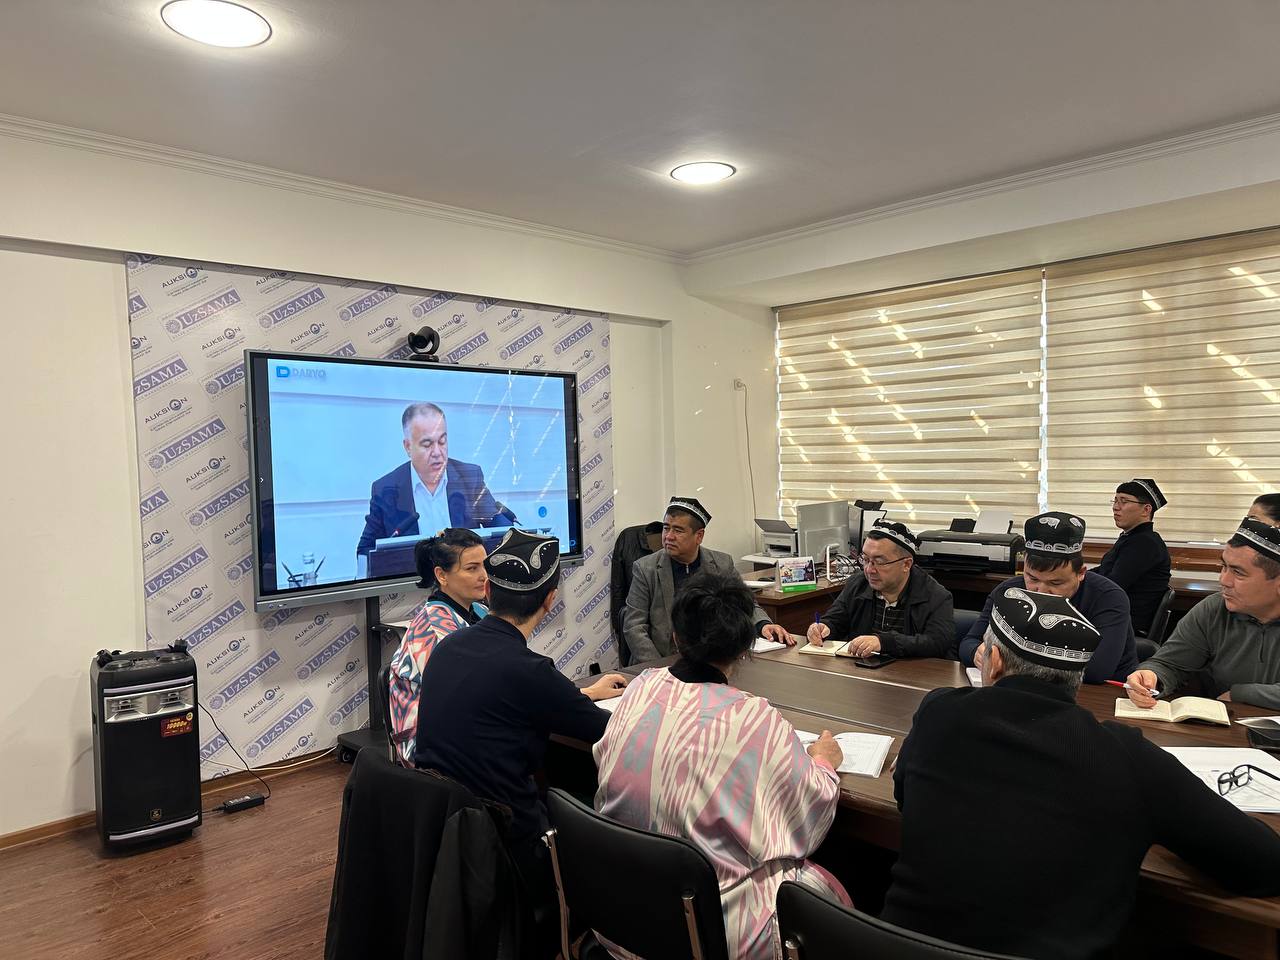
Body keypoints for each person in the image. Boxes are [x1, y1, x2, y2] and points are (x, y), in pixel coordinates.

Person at [883, 588, 1280, 960]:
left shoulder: (939, 711)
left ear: (995, 661)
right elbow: (1263, 863)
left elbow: (905, 796)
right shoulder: (1127, 757)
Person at [596, 572, 850, 960]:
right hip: (708, 932)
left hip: (623, 916)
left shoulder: (641, 686)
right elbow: (808, 812)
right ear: (745, 647)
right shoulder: (753, 718)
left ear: (676, 637)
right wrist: (824, 761)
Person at [414, 530, 628, 954]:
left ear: (488, 592)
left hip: (447, 827)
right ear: (550, 600)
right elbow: (609, 731)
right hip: (511, 841)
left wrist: (578, 694)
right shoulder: (529, 670)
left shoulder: (448, 647)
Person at [958, 511, 1138, 683]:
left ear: (1081, 573)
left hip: (1100, 693)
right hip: (1026, 687)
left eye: (1056, 583)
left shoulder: (1109, 597)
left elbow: (1097, 670)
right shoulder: (1008, 591)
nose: (1041, 591)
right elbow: (968, 643)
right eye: (1033, 578)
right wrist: (977, 653)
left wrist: (1011, 662)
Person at [1127, 516, 1280, 710]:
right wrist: (1151, 676)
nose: (1224, 580)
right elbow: (1170, 664)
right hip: (1223, 724)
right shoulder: (1214, 609)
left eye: (1238, 573)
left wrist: (1240, 693)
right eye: (1224, 567)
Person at [623, 496, 791, 662]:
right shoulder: (645, 569)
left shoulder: (721, 564)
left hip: (711, 657)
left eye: (678, 530)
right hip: (662, 659)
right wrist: (658, 666)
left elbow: (745, 604)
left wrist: (763, 625)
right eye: (666, 528)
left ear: (699, 536)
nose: (669, 536)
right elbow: (634, 626)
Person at [356, 402, 513, 566]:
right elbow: (365, 551)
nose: (437, 452)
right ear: (408, 447)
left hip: (463, 577)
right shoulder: (386, 489)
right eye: (427, 444)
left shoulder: (469, 477)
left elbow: (501, 529)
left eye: (442, 441)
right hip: (414, 578)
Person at [387, 529, 489, 765]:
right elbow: (464, 696)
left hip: (461, 727)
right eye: (472, 568)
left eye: (485, 566)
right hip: (428, 747)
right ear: (442, 575)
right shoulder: (435, 630)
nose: (484, 576)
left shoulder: (480, 610)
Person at [805, 518, 954, 658]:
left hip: (913, 672)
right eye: (865, 559)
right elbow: (835, 620)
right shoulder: (858, 584)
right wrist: (823, 628)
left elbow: (937, 642)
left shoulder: (935, 595)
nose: (869, 569)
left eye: (879, 561)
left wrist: (883, 642)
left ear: (906, 564)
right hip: (862, 670)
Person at [1094, 478, 1172, 635]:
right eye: (1115, 501)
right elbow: (1104, 571)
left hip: (1127, 627)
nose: (1116, 507)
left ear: (1146, 510)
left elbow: (1112, 585)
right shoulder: (1131, 537)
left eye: (1124, 501)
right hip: (1115, 619)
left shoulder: (1145, 543)